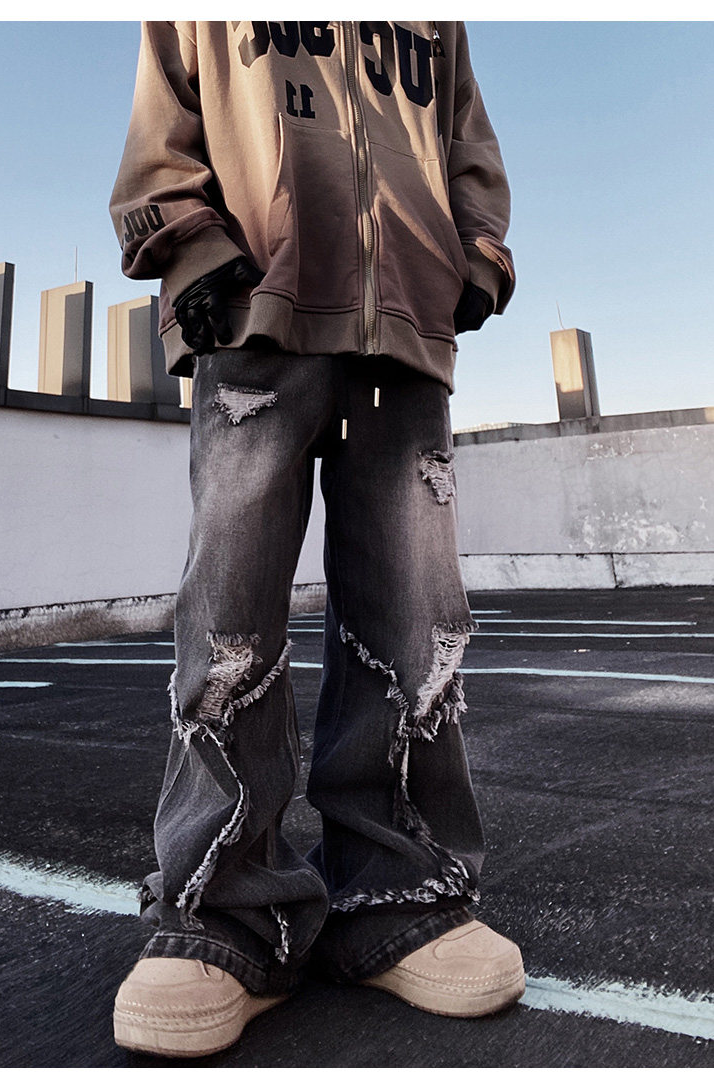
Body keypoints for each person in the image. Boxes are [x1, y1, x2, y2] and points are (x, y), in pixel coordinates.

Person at [109, 20, 522, 1058]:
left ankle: (402, 895)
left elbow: (467, 137)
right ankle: (221, 911)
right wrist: (187, 245)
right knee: (231, 608)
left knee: (415, 612)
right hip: (254, 312)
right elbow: (160, 127)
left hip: (406, 327)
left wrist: (477, 253)